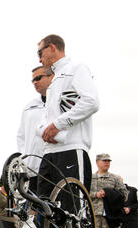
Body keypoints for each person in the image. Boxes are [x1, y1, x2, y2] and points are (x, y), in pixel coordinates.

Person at [35, 34, 100, 198]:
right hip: (49, 153)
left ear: (51, 47)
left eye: (40, 54)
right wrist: (44, 129)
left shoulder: (76, 68)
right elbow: (50, 116)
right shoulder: (54, 80)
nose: (40, 60)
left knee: (73, 208)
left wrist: (58, 124)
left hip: (71, 148)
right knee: (43, 208)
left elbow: (91, 102)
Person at [17, 66, 53, 194]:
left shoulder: (60, 102)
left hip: (54, 167)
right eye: (33, 80)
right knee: (36, 209)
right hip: (33, 169)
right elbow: (21, 136)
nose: (35, 82)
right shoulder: (29, 107)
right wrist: (25, 159)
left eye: (38, 78)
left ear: (51, 77)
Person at [90, 154, 129, 228]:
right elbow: (84, 194)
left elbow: (125, 195)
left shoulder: (114, 178)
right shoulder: (91, 178)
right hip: (94, 215)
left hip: (111, 217)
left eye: (108, 161)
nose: (107, 163)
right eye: (104, 161)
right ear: (97, 162)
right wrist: (96, 194)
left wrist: (110, 194)